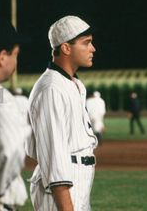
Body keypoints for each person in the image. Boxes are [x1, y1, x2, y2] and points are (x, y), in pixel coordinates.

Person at [26, 15, 97, 211]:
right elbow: (54, 156)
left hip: (76, 182)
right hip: (60, 190)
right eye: (86, 43)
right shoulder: (51, 88)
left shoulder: (73, 84)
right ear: (66, 48)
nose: (93, 49)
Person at [0, 18, 30, 210]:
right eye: (15, 54)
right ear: (2, 57)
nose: (15, 61)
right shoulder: (2, 99)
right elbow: (11, 148)